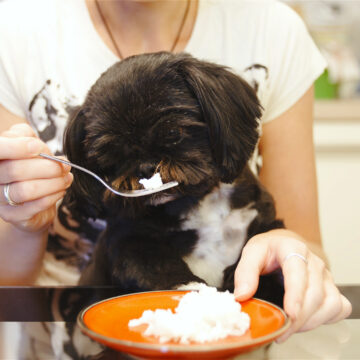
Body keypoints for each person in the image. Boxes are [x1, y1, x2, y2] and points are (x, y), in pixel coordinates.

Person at [0, 0, 351, 344]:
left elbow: (309, 251)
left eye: (172, 136)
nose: (148, 172)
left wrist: (291, 255)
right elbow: (7, 281)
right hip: (75, 340)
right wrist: (24, 219)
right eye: (115, 159)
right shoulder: (16, 31)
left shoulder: (273, 28)